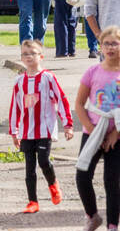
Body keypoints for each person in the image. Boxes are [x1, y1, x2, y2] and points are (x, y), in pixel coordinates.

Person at [73, 27, 120, 231]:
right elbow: (79, 104)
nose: (110, 48)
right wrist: (93, 130)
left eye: (115, 44)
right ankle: (92, 216)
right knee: (82, 175)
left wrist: (116, 132)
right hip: (93, 131)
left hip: (117, 135)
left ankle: (113, 229)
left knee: (111, 181)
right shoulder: (92, 72)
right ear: (100, 47)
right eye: (106, 44)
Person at [8, 40, 74, 213]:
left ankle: (53, 185)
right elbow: (15, 106)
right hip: (26, 131)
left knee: (44, 161)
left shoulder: (48, 78)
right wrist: (14, 131)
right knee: (29, 167)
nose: (28, 57)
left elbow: (61, 99)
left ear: (41, 56)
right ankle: (33, 201)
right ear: (21, 58)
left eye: (32, 53)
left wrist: (67, 124)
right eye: (25, 54)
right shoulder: (19, 81)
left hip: (44, 129)